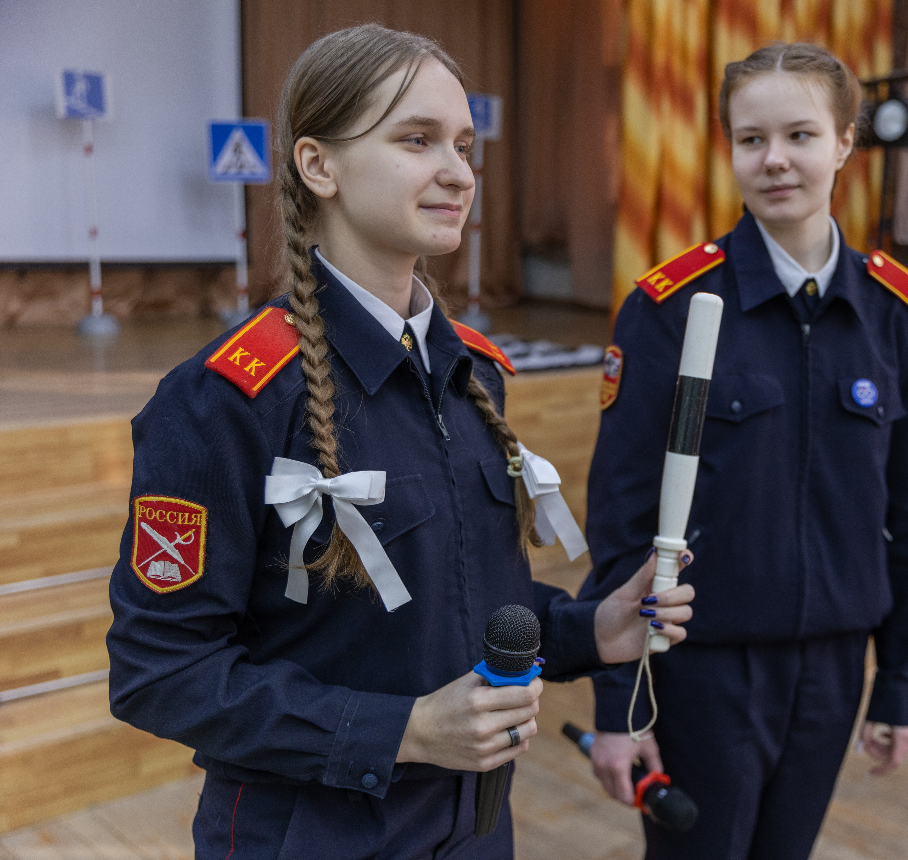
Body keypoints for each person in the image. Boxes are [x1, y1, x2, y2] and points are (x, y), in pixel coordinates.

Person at [105, 24, 694, 860]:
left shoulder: (473, 374)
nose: (459, 172)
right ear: (320, 166)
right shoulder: (224, 401)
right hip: (309, 836)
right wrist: (403, 731)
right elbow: (160, 672)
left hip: (474, 827)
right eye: (417, 140)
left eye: (464, 145)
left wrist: (591, 630)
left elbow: (462, 605)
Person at [578, 42, 908, 860]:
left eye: (800, 135)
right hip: (703, 669)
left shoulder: (893, 313)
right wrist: (619, 701)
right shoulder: (670, 307)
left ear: (845, 142)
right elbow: (622, 517)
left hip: (834, 665)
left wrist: (899, 678)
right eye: (751, 140)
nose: (775, 159)